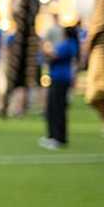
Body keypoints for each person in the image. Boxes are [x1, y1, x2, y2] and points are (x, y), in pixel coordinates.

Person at [39, 18, 79, 149]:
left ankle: (59, 138)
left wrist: (44, 47)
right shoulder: (67, 43)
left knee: (58, 109)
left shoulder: (68, 44)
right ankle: (52, 135)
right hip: (56, 78)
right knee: (52, 108)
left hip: (61, 79)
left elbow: (54, 55)